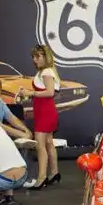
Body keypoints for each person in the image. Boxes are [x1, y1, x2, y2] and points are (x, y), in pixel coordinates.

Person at [19, 44, 61, 190]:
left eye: (38, 56)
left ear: (45, 56)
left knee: (40, 145)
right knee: (48, 143)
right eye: (33, 57)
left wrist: (30, 93)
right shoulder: (46, 71)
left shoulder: (47, 71)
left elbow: (50, 92)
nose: (35, 59)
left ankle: (41, 178)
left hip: (45, 112)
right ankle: (54, 173)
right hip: (45, 111)